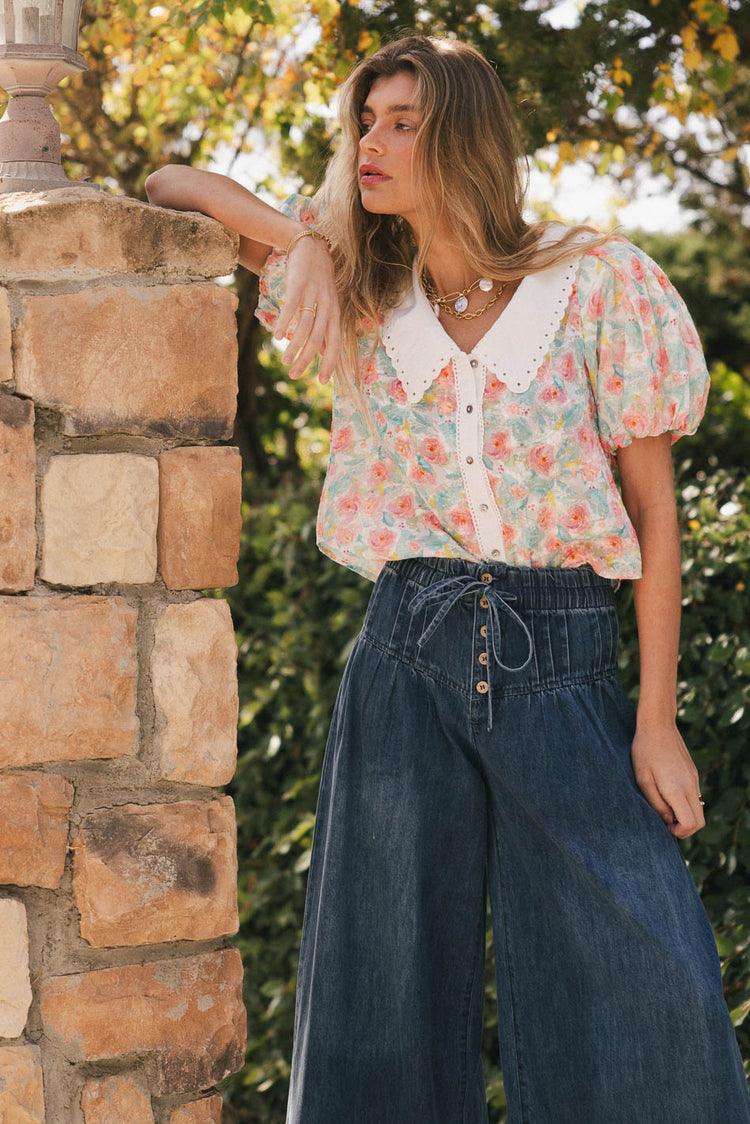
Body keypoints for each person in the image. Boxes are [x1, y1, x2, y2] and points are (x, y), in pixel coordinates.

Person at [146, 34, 750, 1124]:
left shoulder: (597, 283)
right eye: (365, 123)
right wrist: (304, 243)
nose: (371, 144)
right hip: (405, 654)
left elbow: (657, 520)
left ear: (463, 138)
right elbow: (168, 182)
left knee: (641, 984)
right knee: (378, 989)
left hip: (563, 661)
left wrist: (655, 720)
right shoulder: (363, 292)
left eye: (402, 124)